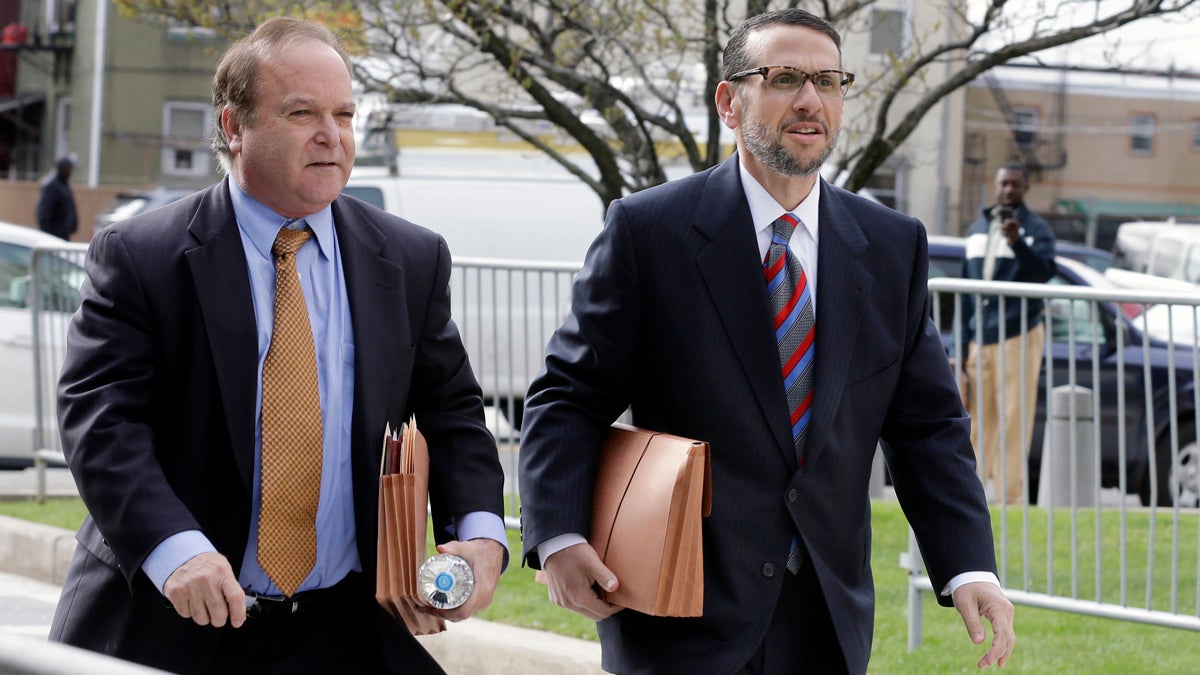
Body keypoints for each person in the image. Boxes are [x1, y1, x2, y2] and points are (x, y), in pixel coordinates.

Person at [517, 9, 1015, 675]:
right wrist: (558, 532)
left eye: (829, 81)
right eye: (784, 78)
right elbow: (569, 396)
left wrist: (968, 565)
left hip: (826, 621)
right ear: (730, 100)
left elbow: (928, 426)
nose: (811, 100)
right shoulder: (649, 231)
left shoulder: (892, 246)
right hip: (679, 614)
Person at [49, 17, 506, 674]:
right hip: (172, 623)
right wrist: (176, 551)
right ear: (234, 128)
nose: (332, 135)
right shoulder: (142, 256)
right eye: (302, 113)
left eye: (344, 114)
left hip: (346, 631)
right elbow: (101, 423)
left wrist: (481, 535)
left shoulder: (409, 257)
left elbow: (454, 414)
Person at [960, 163, 1056, 505]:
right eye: (1003, 184)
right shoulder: (978, 228)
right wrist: (961, 345)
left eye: (1015, 184)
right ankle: (969, 500)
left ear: (1025, 187)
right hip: (977, 338)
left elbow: (1044, 272)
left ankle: (1010, 499)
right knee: (974, 422)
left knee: (1013, 421)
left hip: (1017, 334)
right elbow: (965, 292)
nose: (1009, 190)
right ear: (995, 185)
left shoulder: (1035, 228)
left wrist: (1018, 243)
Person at [36, 155, 78, 240]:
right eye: (68, 169)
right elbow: (45, 212)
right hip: (53, 234)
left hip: (63, 233)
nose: (70, 171)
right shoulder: (52, 186)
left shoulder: (64, 185)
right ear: (62, 169)